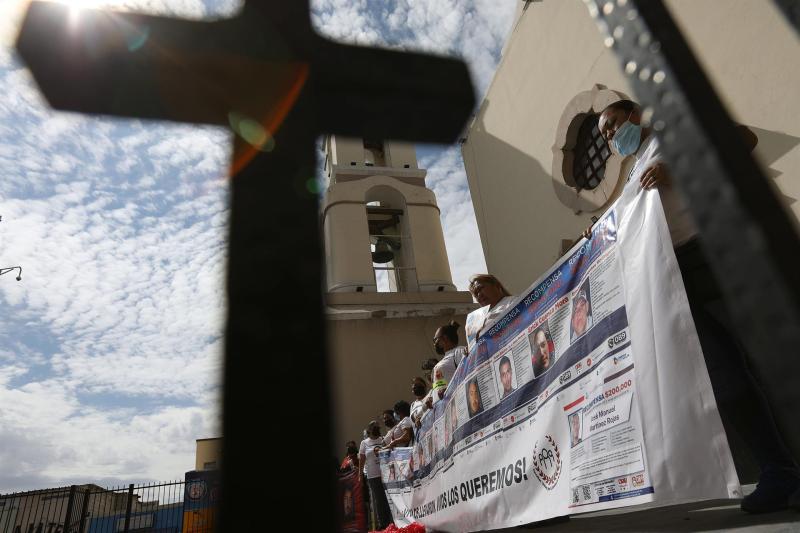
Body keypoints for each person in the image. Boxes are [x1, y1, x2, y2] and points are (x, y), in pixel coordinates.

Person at [595, 98, 799, 513]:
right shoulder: (633, 172)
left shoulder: (673, 131)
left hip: (722, 251)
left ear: (635, 113)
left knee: (779, 351)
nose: (613, 137)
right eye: (606, 137)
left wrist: (679, 169)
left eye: (613, 125)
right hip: (674, 273)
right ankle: (778, 470)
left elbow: (743, 139)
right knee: (725, 377)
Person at [465, 274, 516, 351]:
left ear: (496, 285)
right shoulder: (476, 320)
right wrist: (470, 350)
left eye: (481, 288)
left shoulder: (512, 302)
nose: (479, 295)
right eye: (476, 294)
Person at [359, 421, 392, 530]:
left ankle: (392, 521)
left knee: (388, 498)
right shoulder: (364, 443)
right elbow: (362, 460)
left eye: (377, 426)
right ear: (369, 429)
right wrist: (360, 475)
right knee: (379, 499)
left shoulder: (382, 440)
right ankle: (383, 523)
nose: (376, 428)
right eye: (373, 426)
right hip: (373, 475)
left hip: (386, 474)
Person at [430, 321, 469, 402]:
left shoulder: (459, 351)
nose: (434, 344)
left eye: (435, 340)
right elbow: (439, 388)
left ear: (445, 338)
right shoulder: (441, 362)